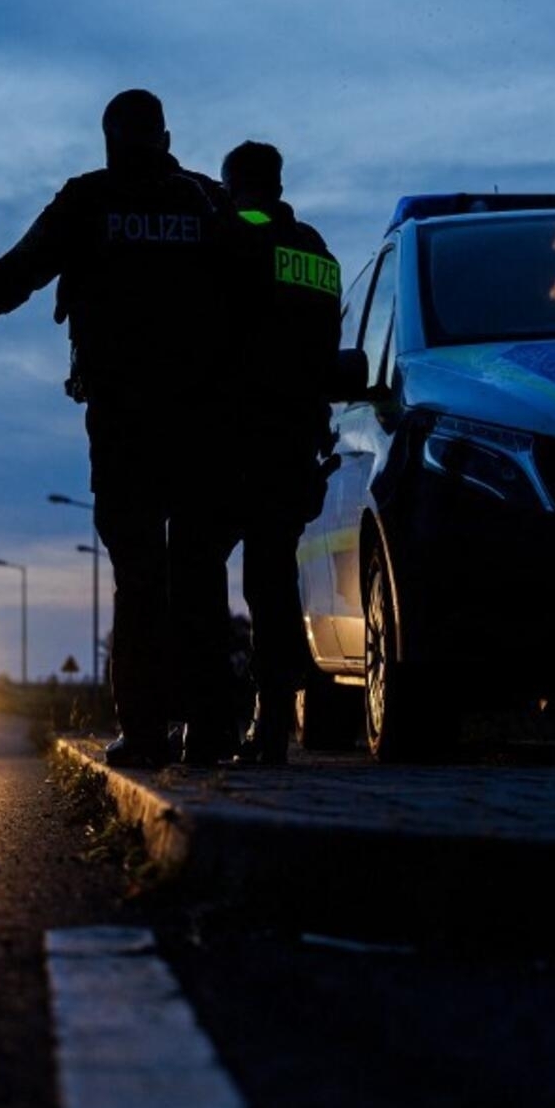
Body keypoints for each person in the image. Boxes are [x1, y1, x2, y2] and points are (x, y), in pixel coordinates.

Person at [0, 89, 240, 768]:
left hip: (126, 417)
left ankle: (145, 731)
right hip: (205, 419)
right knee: (198, 572)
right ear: (165, 138)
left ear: (109, 141)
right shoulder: (206, 202)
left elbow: (9, 278)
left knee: (139, 576)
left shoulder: (89, 201)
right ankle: (213, 729)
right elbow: (252, 300)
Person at [220, 141, 342, 765]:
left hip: (228, 436)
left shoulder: (227, 238)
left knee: (196, 570)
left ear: (235, 183)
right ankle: (271, 724)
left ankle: (209, 718)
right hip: (292, 438)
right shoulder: (316, 253)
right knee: (271, 583)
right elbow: (326, 346)